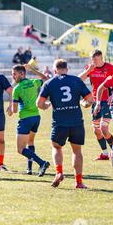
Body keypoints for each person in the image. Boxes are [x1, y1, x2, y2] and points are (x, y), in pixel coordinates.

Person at [36, 59, 93, 189]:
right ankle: (78, 182)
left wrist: (46, 106)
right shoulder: (77, 80)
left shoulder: (49, 83)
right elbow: (90, 100)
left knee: (56, 147)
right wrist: (84, 104)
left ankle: (59, 172)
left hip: (59, 123)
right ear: (67, 69)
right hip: (76, 122)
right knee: (77, 152)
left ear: (54, 70)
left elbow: (39, 103)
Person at [78, 49, 113, 161]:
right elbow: (78, 80)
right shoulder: (90, 67)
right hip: (95, 101)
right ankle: (105, 154)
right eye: (92, 59)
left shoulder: (111, 68)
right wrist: (88, 70)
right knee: (96, 130)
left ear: (101, 58)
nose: (93, 61)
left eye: (95, 59)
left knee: (103, 128)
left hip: (107, 102)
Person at [11, 64, 50, 176]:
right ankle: (29, 169)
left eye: (14, 74)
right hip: (36, 118)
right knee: (30, 142)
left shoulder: (17, 89)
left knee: (20, 149)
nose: (13, 76)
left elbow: (14, 110)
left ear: (22, 74)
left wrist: (11, 109)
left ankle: (42, 163)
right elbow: (45, 79)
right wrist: (33, 69)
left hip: (25, 120)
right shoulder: (34, 82)